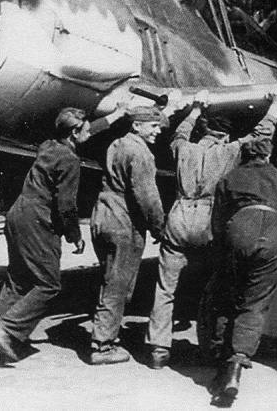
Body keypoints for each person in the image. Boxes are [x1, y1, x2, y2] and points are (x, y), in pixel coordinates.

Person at [0, 105, 126, 365]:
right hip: (38, 221)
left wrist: (117, 114)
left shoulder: (49, 145)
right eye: (85, 130)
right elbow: (66, 204)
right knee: (48, 285)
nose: (89, 133)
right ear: (74, 133)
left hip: (17, 214)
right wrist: (74, 235)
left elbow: (88, 129)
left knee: (18, 280)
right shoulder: (70, 160)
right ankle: (5, 330)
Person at [145, 91, 277, 369]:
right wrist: (275, 106)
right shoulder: (230, 151)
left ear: (205, 131)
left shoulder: (184, 149)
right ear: (225, 135)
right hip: (208, 220)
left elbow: (179, 133)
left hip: (180, 216)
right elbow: (260, 134)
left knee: (165, 287)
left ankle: (159, 349)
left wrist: (195, 110)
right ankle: (210, 348)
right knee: (214, 288)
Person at [203, 95, 277, 406]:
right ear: (268, 155)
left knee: (227, 294)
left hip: (239, 228)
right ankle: (238, 362)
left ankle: (220, 358)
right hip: (272, 231)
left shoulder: (230, 177)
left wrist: (223, 246)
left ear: (244, 154)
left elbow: (218, 219)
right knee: (255, 302)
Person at [89, 105, 167, 365]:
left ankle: (105, 334)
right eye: (153, 126)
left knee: (108, 279)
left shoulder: (117, 144)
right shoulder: (141, 153)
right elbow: (148, 197)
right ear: (137, 125)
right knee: (118, 285)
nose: (158, 131)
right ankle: (102, 346)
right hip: (123, 221)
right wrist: (159, 227)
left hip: (102, 214)